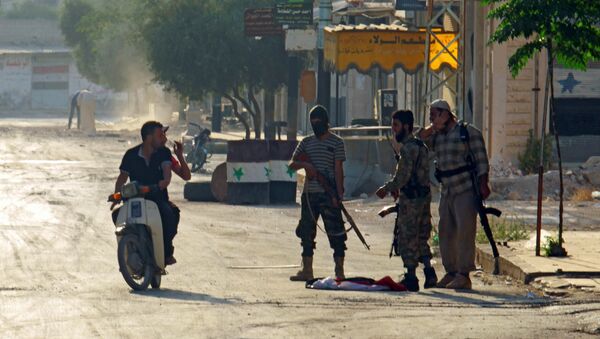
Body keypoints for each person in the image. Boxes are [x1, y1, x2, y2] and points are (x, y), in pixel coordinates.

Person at [417, 99, 491, 290]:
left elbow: (481, 160)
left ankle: (464, 274)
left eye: (435, 114)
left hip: (465, 188)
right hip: (447, 190)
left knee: (465, 231)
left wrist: (484, 184)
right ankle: (451, 272)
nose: (431, 119)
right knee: (445, 232)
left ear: (445, 114)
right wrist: (434, 126)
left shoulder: (467, 132)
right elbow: (420, 138)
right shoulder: (438, 136)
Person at [375, 110, 437, 292]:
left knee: (407, 237)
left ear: (406, 126)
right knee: (420, 237)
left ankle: (411, 277)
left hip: (411, 199)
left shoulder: (408, 148)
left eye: (396, 125)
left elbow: (402, 177)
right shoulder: (421, 146)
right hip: (424, 196)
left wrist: (385, 189)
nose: (394, 130)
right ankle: (429, 272)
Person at [288, 105, 347, 281]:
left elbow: (338, 170)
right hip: (310, 194)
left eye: (318, 122)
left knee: (336, 232)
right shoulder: (306, 142)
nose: (315, 125)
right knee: (306, 233)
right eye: (312, 122)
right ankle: (307, 271)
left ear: (325, 121)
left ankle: (339, 271)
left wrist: (339, 193)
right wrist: (307, 166)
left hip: (329, 194)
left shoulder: (337, 142)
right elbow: (292, 164)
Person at [111, 121, 181, 266]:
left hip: (157, 199)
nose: (164, 138)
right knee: (116, 215)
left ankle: (166, 251)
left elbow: (167, 176)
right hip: (134, 200)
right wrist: (117, 195)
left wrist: (159, 184)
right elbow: (122, 178)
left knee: (170, 215)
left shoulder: (164, 153)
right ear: (149, 138)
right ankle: (131, 248)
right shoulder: (130, 155)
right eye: (160, 135)